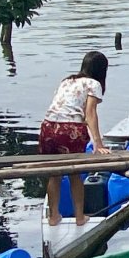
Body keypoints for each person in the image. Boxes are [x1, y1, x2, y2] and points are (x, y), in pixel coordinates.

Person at [40, 51, 111, 227]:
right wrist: (98, 144)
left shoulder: (67, 81)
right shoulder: (94, 84)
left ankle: (53, 216)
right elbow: (90, 114)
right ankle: (80, 217)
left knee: (54, 174)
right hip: (69, 130)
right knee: (74, 173)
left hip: (48, 128)